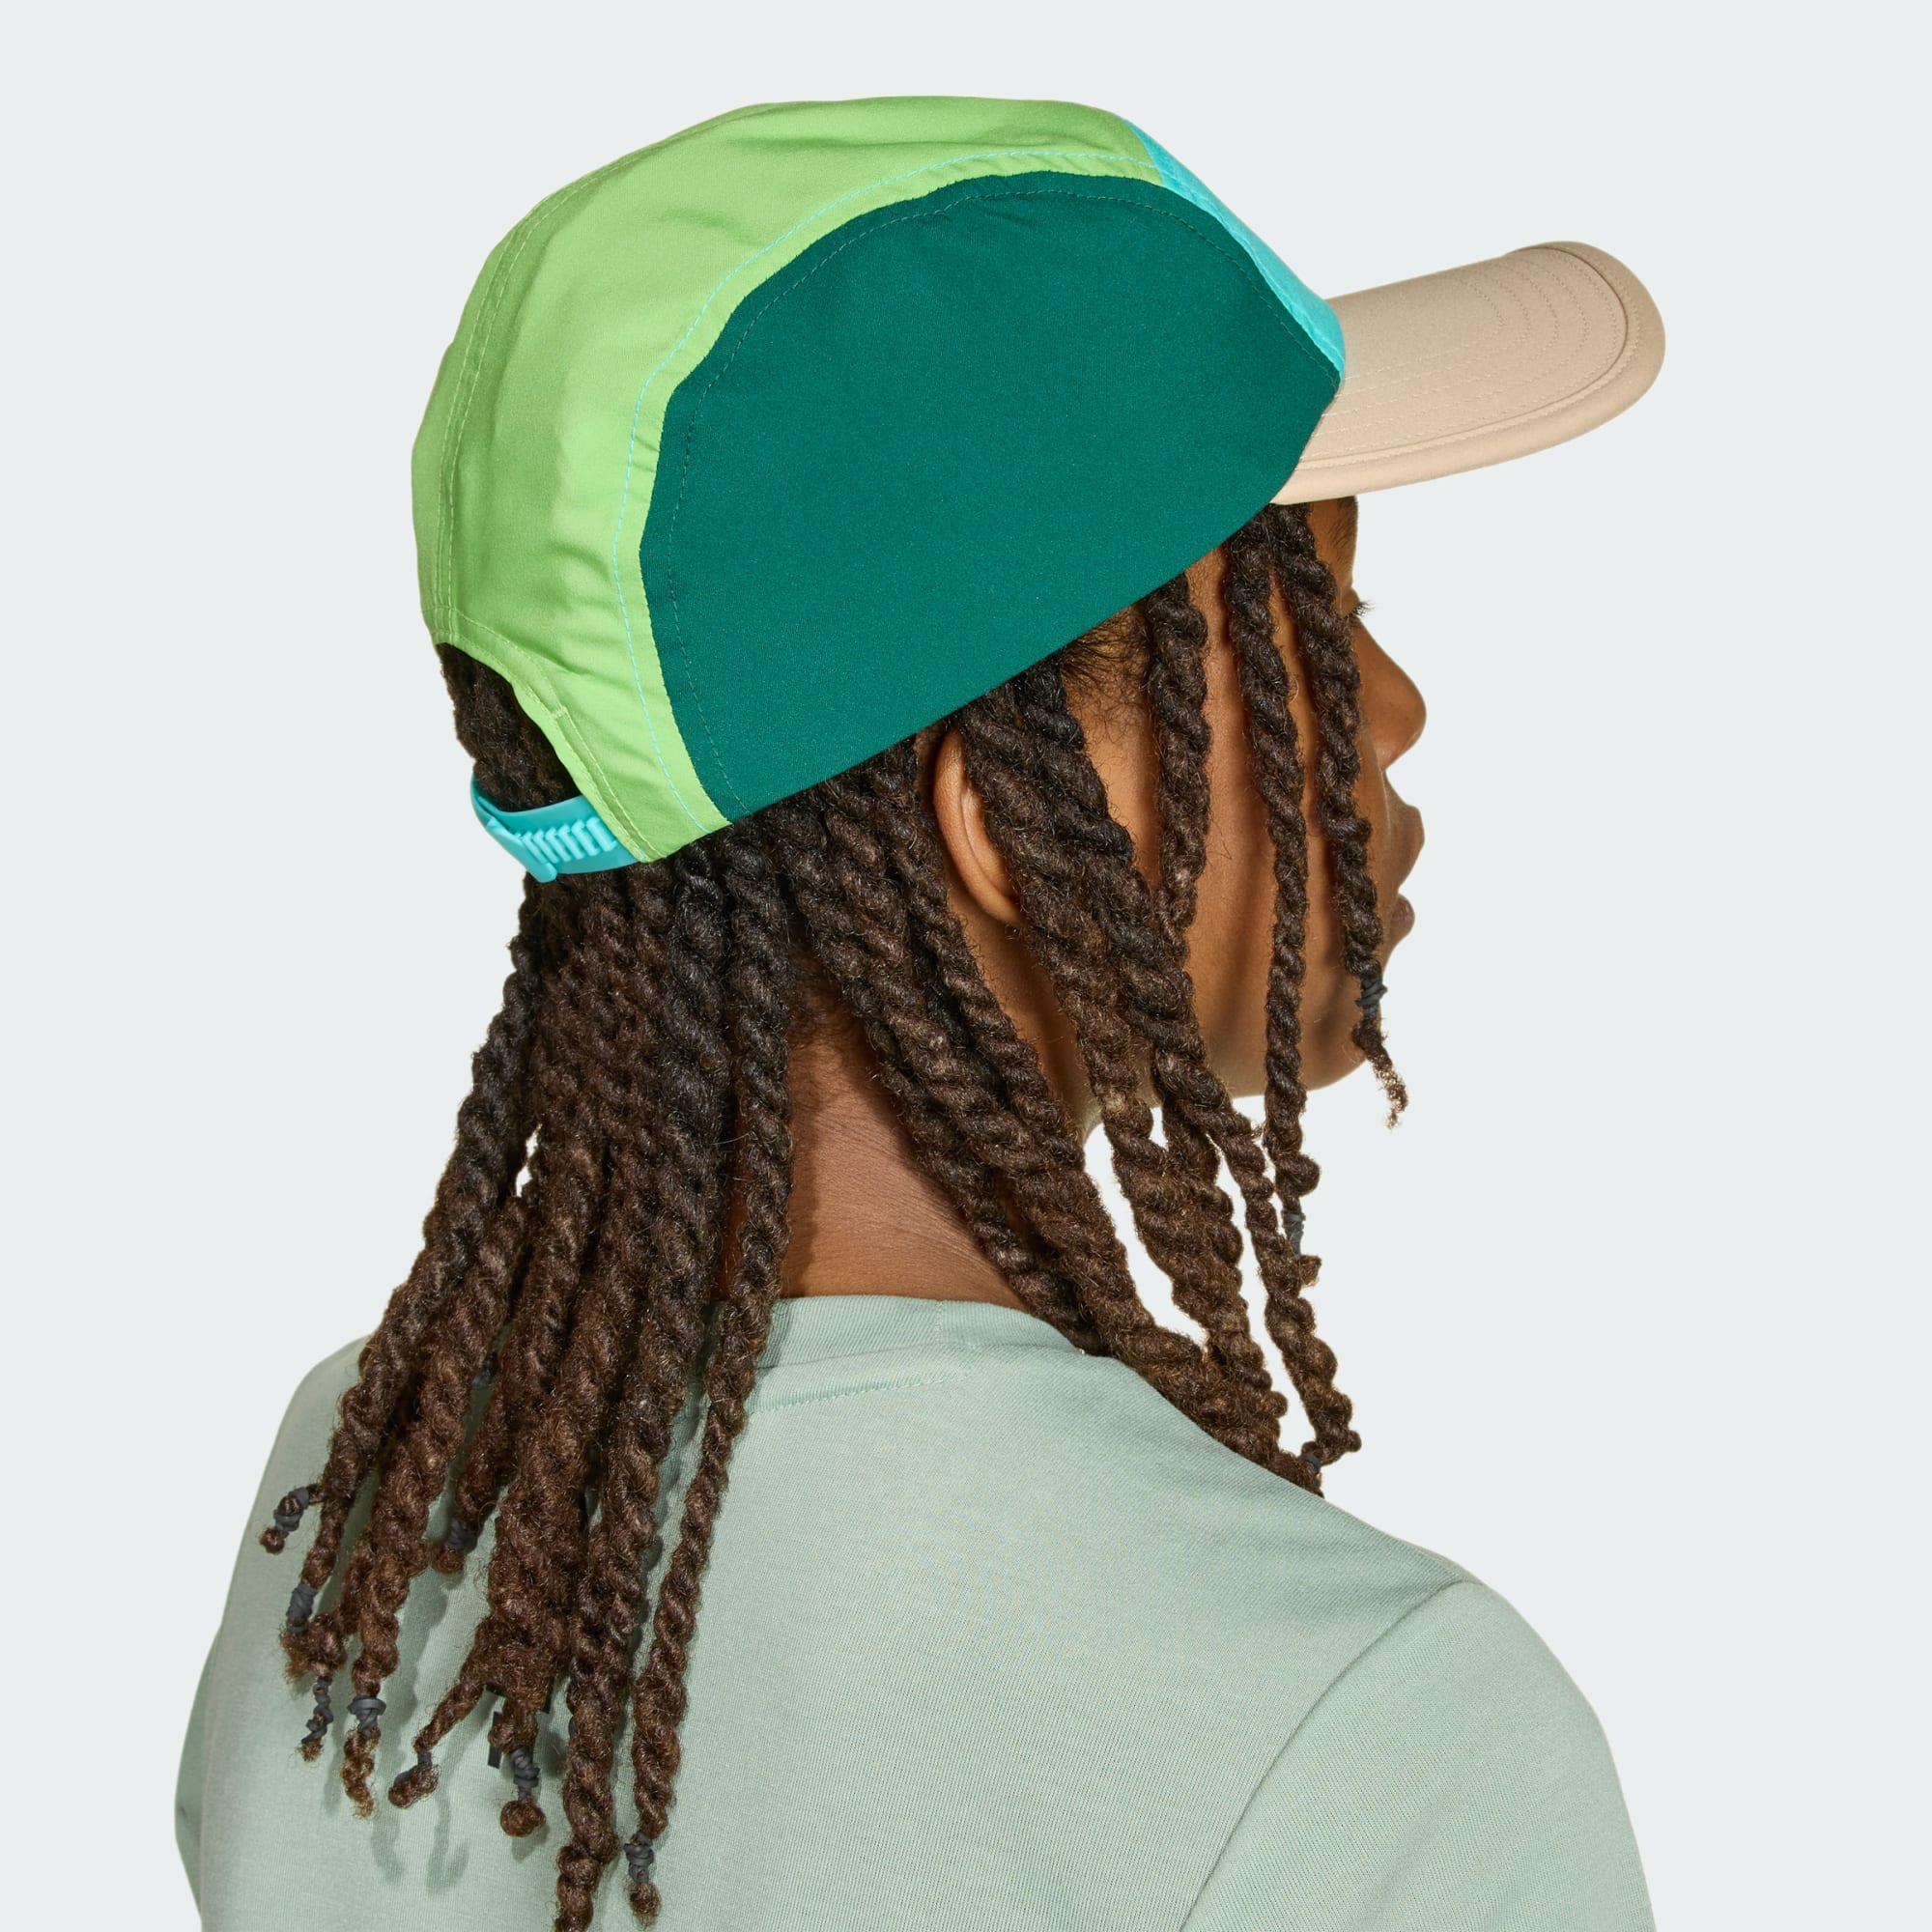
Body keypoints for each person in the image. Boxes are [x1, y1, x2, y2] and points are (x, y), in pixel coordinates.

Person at [174, 95, 1665, 1931]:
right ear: (1013, 832)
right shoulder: (1363, 1727)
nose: (1396, 708)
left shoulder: (358, 1512)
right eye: (1318, 616)